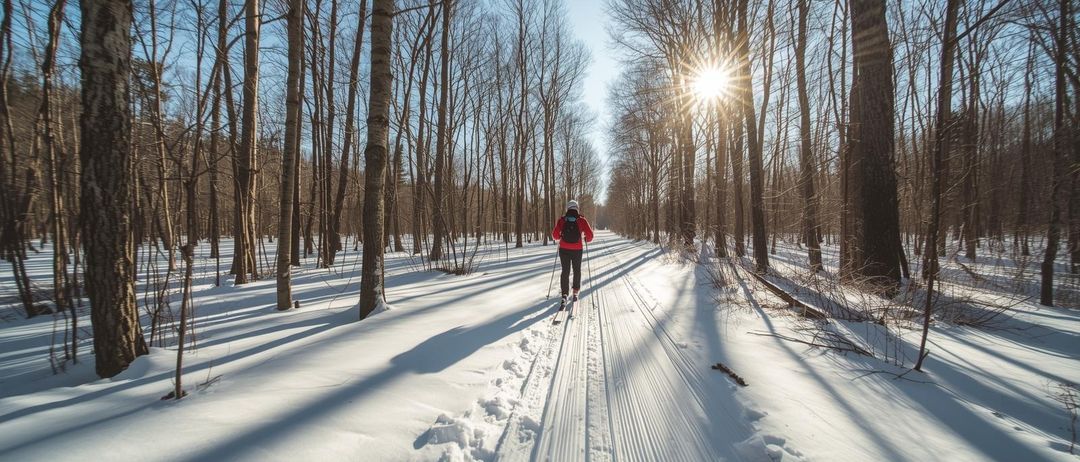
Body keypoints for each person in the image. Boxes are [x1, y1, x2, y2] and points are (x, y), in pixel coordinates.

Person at [551, 200, 594, 304]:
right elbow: (590, 236)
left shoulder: (562, 220)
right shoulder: (582, 220)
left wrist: (561, 235)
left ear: (568, 208)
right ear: (577, 208)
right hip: (577, 249)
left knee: (565, 271)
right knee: (577, 270)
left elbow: (554, 235)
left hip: (564, 249)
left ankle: (564, 294)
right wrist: (585, 239)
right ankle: (575, 292)